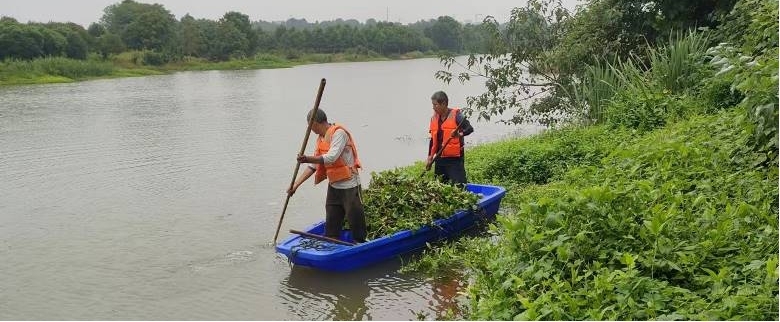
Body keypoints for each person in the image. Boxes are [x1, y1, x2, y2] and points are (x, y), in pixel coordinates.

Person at [287, 109, 367, 243]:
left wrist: (307, 158)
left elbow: (331, 157)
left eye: (310, 126)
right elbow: (314, 166)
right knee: (331, 223)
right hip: (334, 186)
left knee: (355, 219)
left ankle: (360, 244)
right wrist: (295, 185)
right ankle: (332, 242)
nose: (310, 129)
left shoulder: (339, 133)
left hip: (350, 185)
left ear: (315, 123)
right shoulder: (320, 139)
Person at [425, 91, 474, 187]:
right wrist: (430, 158)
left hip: (455, 160)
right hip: (439, 158)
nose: (433, 107)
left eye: (435, 105)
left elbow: (469, 129)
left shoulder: (457, 116)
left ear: (443, 104)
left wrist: (459, 134)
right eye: (433, 105)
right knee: (439, 187)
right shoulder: (434, 118)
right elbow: (433, 140)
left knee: (459, 186)